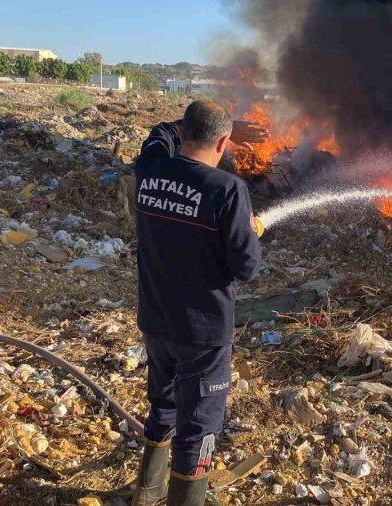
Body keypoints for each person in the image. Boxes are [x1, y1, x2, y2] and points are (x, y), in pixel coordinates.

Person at [131, 100, 267, 506]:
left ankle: (146, 491)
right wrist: (251, 231)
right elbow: (246, 268)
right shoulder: (226, 190)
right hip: (203, 333)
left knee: (163, 405)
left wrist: (187, 125)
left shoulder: (150, 169)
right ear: (224, 141)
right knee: (200, 427)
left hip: (156, 319)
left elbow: (159, 133)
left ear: (184, 132)